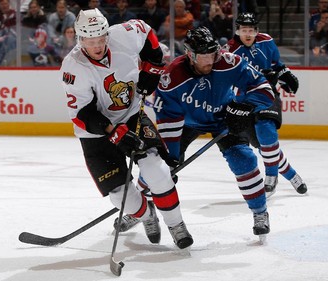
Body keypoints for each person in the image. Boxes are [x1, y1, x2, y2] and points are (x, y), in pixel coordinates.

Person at [116, 26, 272, 241]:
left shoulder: (228, 62)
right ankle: (140, 208)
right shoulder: (171, 77)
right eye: (204, 56)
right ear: (190, 54)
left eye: (212, 54)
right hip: (186, 123)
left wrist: (245, 106)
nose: (210, 61)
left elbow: (264, 88)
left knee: (243, 159)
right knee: (159, 166)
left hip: (223, 119)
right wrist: (170, 154)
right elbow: (168, 116)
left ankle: (260, 212)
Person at [60, 8, 193, 249]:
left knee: (156, 170)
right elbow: (82, 115)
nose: (98, 46)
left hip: (131, 115)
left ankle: (176, 224)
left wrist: (152, 68)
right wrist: (114, 132)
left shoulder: (124, 34)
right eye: (91, 41)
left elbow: (148, 34)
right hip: (96, 133)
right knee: (119, 195)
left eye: (101, 39)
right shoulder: (73, 67)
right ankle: (146, 214)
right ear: (80, 40)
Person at [226, 13, 307, 196]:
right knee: (263, 146)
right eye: (243, 30)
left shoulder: (266, 42)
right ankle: (292, 175)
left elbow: (277, 66)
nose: (247, 34)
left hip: (266, 94)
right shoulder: (229, 51)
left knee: (266, 127)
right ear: (238, 31)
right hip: (243, 101)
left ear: (256, 31)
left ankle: (271, 176)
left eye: (251, 30)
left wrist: (283, 74)